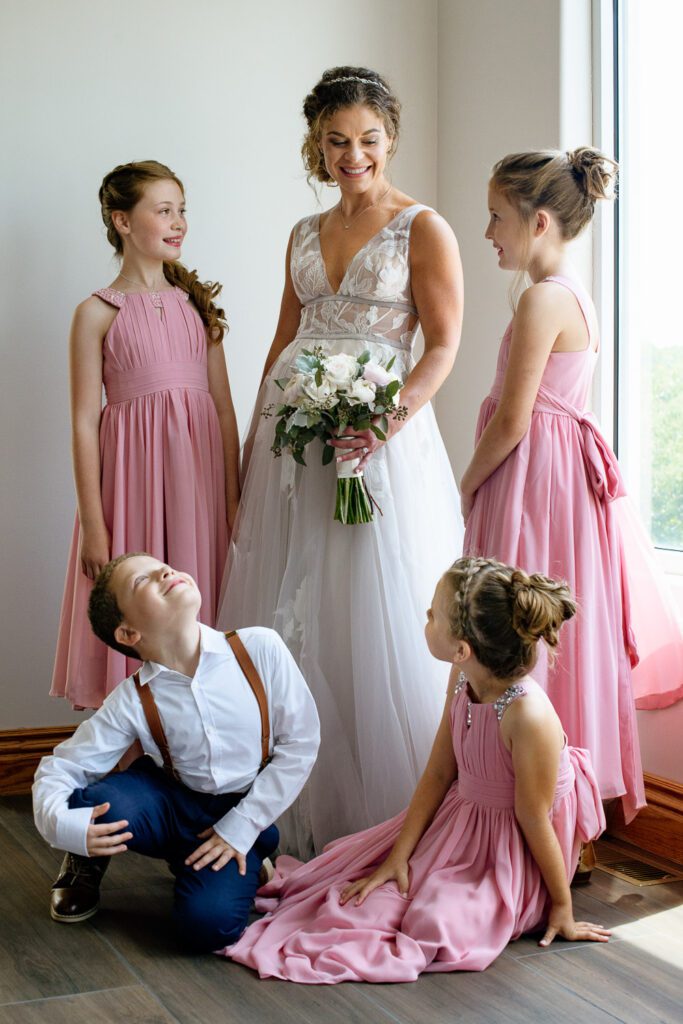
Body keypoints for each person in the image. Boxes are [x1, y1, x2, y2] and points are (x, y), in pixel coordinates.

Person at [217, 67, 465, 856]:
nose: (351, 155)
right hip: (296, 443)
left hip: (375, 440)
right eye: (335, 141)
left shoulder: (422, 226)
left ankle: (391, 812)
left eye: (366, 140)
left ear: (390, 137)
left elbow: (444, 342)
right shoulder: (298, 232)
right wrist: (256, 438)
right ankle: (288, 804)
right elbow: (281, 339)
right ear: (315, 144)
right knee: (298, 598)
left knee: (372, 602)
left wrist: (386, 421)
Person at [223, 557, 609, 982]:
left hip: (517, 842)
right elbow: (440, 773)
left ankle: (496, 896)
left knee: (432, 923)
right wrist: (399, 855)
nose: (425, 620)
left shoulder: (528, 716)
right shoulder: (462, 674)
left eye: (432, 616)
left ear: (462, 647)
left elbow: (534, 818)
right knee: (356, 880)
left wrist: (562, 906)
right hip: (467, 816)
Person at [461, 147, 682, 825]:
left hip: (532, 479)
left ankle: (532, 807)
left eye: (496, 217)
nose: (488, 231)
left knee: (515, 628)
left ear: (538, 222)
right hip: (558, 480)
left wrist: (464, 483)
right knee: (551, 636)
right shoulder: (572, 294)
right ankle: (566, 818)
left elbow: (510, 420)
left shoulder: (540, 300)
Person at [34, 553, 320, 950]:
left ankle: (249, 846)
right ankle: (84, 858)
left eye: (161, 566)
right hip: (169, 802)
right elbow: (61, 767)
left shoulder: (260, 648)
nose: (165, 571)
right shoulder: (132, 698)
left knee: (207, 927)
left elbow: (300, 744)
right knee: (97, 803)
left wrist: (241, 827)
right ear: (129, 634)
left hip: (237, 808)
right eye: (143, 581)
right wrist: (65, 829)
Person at [51, 160, 240, 711]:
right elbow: (85, 422)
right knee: (135, 600)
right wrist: (93, 524)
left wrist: (230, 499)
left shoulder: (197, 309)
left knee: (195, 602)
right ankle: (133, 744)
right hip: (131, 484)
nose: (178, 222)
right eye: (164, 211)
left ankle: (197, 742)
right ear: (123, 221)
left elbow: (224, 413)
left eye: (182, 211)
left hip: (198, 486)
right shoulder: (96, 313)